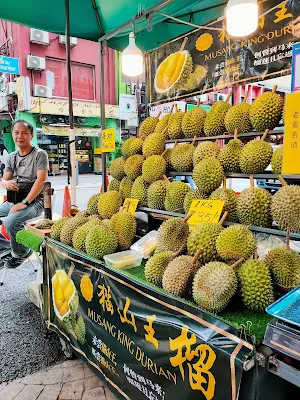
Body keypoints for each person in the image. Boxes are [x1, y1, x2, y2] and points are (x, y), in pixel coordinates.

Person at [0, 120, 48, 268]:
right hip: (13, 201)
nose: (20, 136)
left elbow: (40, 181)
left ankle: (21, 253)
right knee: (9, 218)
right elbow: (4, 179)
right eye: (16, 132)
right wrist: (6, 183)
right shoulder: (11, 157)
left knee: (10, 222)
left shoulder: (40, 155)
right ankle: (6, 247)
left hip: (34, 202)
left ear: (31, 136)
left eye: (24, 133)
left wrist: (25, 203)